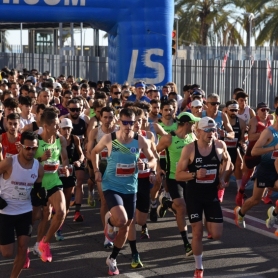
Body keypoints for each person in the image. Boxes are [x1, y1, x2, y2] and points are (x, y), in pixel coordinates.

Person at [91, 108, 156, 276]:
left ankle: (112, 258)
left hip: (130, 188)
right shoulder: (110, 138)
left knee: (126, 227)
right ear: (119, 122)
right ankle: (111, 222)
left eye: (131, 123)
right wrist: (97, 170)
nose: (128, 126)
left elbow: (153, 159)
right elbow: (94, 152)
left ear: (135, 123)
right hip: (111, 186)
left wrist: (148, 167)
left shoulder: (140, 140)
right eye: (125, 122)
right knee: (121, 219)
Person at [176, 117, 230, 278]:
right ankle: (199, 268)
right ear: (198, 131)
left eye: (213, 130)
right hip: (194, 195)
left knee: (217, 234)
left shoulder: (220, 145)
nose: (211, 133)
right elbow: (178, 175)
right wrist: (194, 174)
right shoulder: (189, 149)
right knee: (197, 231)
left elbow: (228, 161)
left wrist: (222, 176)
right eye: (207, 130)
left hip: (211, 194)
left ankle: (207, 220)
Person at [0, 131, 44, 277]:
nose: (31, 151)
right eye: (28, 148)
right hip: (5, 212)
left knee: (23, 247)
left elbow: (37, 190)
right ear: (20, 146)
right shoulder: (9, 162)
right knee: (7, 253)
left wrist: (39, 204)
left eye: (34, 148)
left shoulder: (38, 167)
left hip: (25, 212)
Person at [156, 112, 200, 257]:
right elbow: (154, 152)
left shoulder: (192, 137)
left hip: (189, 178)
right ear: (186, 124)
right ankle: (186, 243)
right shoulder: (168, 138)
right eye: (193, 123)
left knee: (189, 208)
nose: (194, 125)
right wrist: (158, 167)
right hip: (174, 177)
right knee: (181, 208)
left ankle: (166, 203)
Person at [33, 110, 69, 262]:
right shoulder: (36, 141)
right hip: (38, 184)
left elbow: (65, 158)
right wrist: (41, 158)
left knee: (61, 212)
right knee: (40, 217)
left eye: (58, 124)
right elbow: (26, 162)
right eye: (55, 125)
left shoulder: (60, 140)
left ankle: (44, 242)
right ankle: (29, 248)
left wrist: (65, 167)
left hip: (54, 181)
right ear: (46, 126)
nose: (58, 127)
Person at [235, 108, 278, 229]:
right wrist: (274, 147)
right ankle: (241, 213)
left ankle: (274, 213)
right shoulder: (268, 132)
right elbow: (254, 151)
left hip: (277, 169)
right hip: (265, 170)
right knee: (255, 200)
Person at [86, 106, 118, 248]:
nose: (107, 120)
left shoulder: (119, 131)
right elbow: (90, 152)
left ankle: (115, 227)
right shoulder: (95, 132)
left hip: (118, 169)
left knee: (117, 202)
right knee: (105, 201)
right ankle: (107, 235)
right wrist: (96, 168)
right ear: (101, 118)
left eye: (110, 117)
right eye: (105, 117)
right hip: (102, 167)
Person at [235, 102, 274, 206]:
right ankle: (240, 193)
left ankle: (266, 196)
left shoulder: (271, 120)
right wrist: (264, 134)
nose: (265, 112)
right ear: (257, 110)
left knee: (271, 171)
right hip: (253, 150)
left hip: (266, 152)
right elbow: (251, 137)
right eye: (263, 110)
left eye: (267, 110)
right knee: (248, 173)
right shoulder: (254, 120)